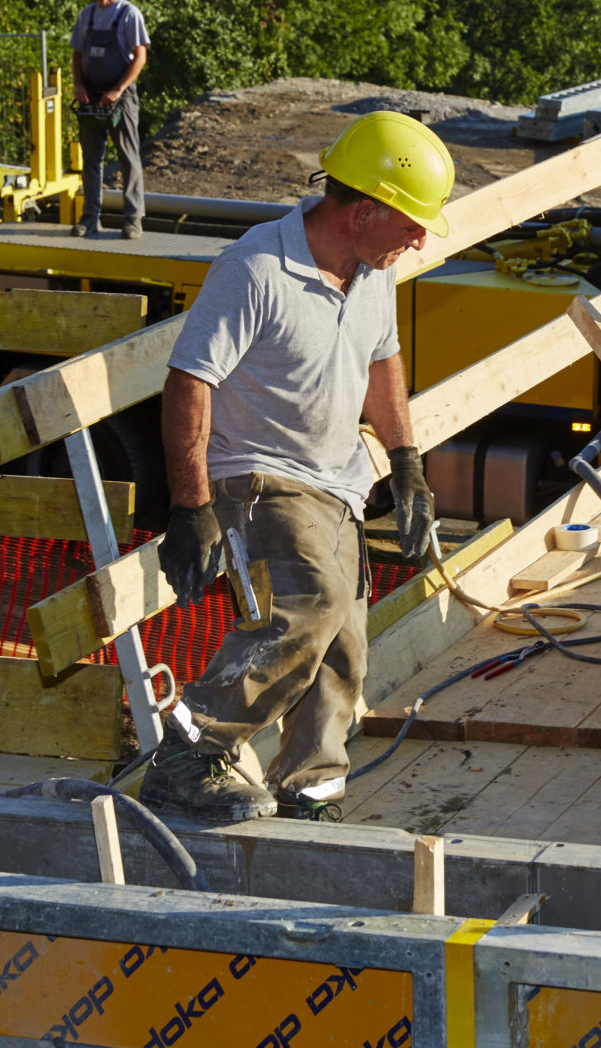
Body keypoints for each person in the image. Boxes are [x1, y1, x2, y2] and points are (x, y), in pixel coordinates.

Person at [146, 111, 455, 825]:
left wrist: (405, 462)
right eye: (411, 223)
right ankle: (192, 750)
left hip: (336, 479)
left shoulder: (372, 271)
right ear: (366, 211)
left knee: (345, 638)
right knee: (309, 601)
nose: (419, 239)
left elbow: (383, 360)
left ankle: (310, 787)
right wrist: (191, 508)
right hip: (256, 473)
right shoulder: (255, 269)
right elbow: (190, 381)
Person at [69, 0, 150, 240]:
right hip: (91, 96)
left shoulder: (129, 14)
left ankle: (133, 220)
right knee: (91, 159)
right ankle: (90, 218)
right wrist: (78, 84)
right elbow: (77, 53)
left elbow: (140, 56)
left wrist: (118, 89)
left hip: (120, 98)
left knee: (128, 157)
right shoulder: (86, 15)